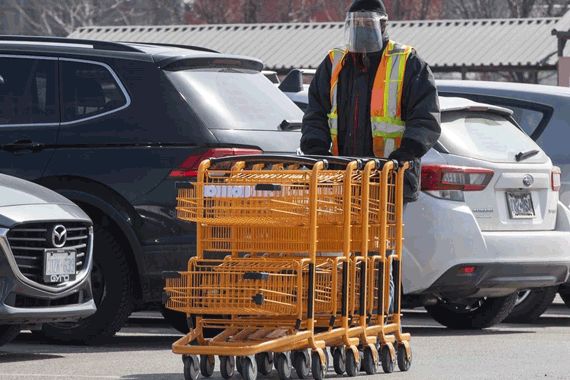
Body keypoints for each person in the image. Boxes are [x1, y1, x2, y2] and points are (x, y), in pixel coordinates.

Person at [300, 0, 441, 312]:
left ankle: (379, 316)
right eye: (357, 23)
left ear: (383, 25)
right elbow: (316, 114)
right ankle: (348, 311)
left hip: (388, 177)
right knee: (343, 249)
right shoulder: (335, 62)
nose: (362, 29)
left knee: (381, 250)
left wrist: (406, 154)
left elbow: (426, 118)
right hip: (342, 176)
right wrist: (317, 152)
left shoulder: (407, 62)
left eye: (368, 23)